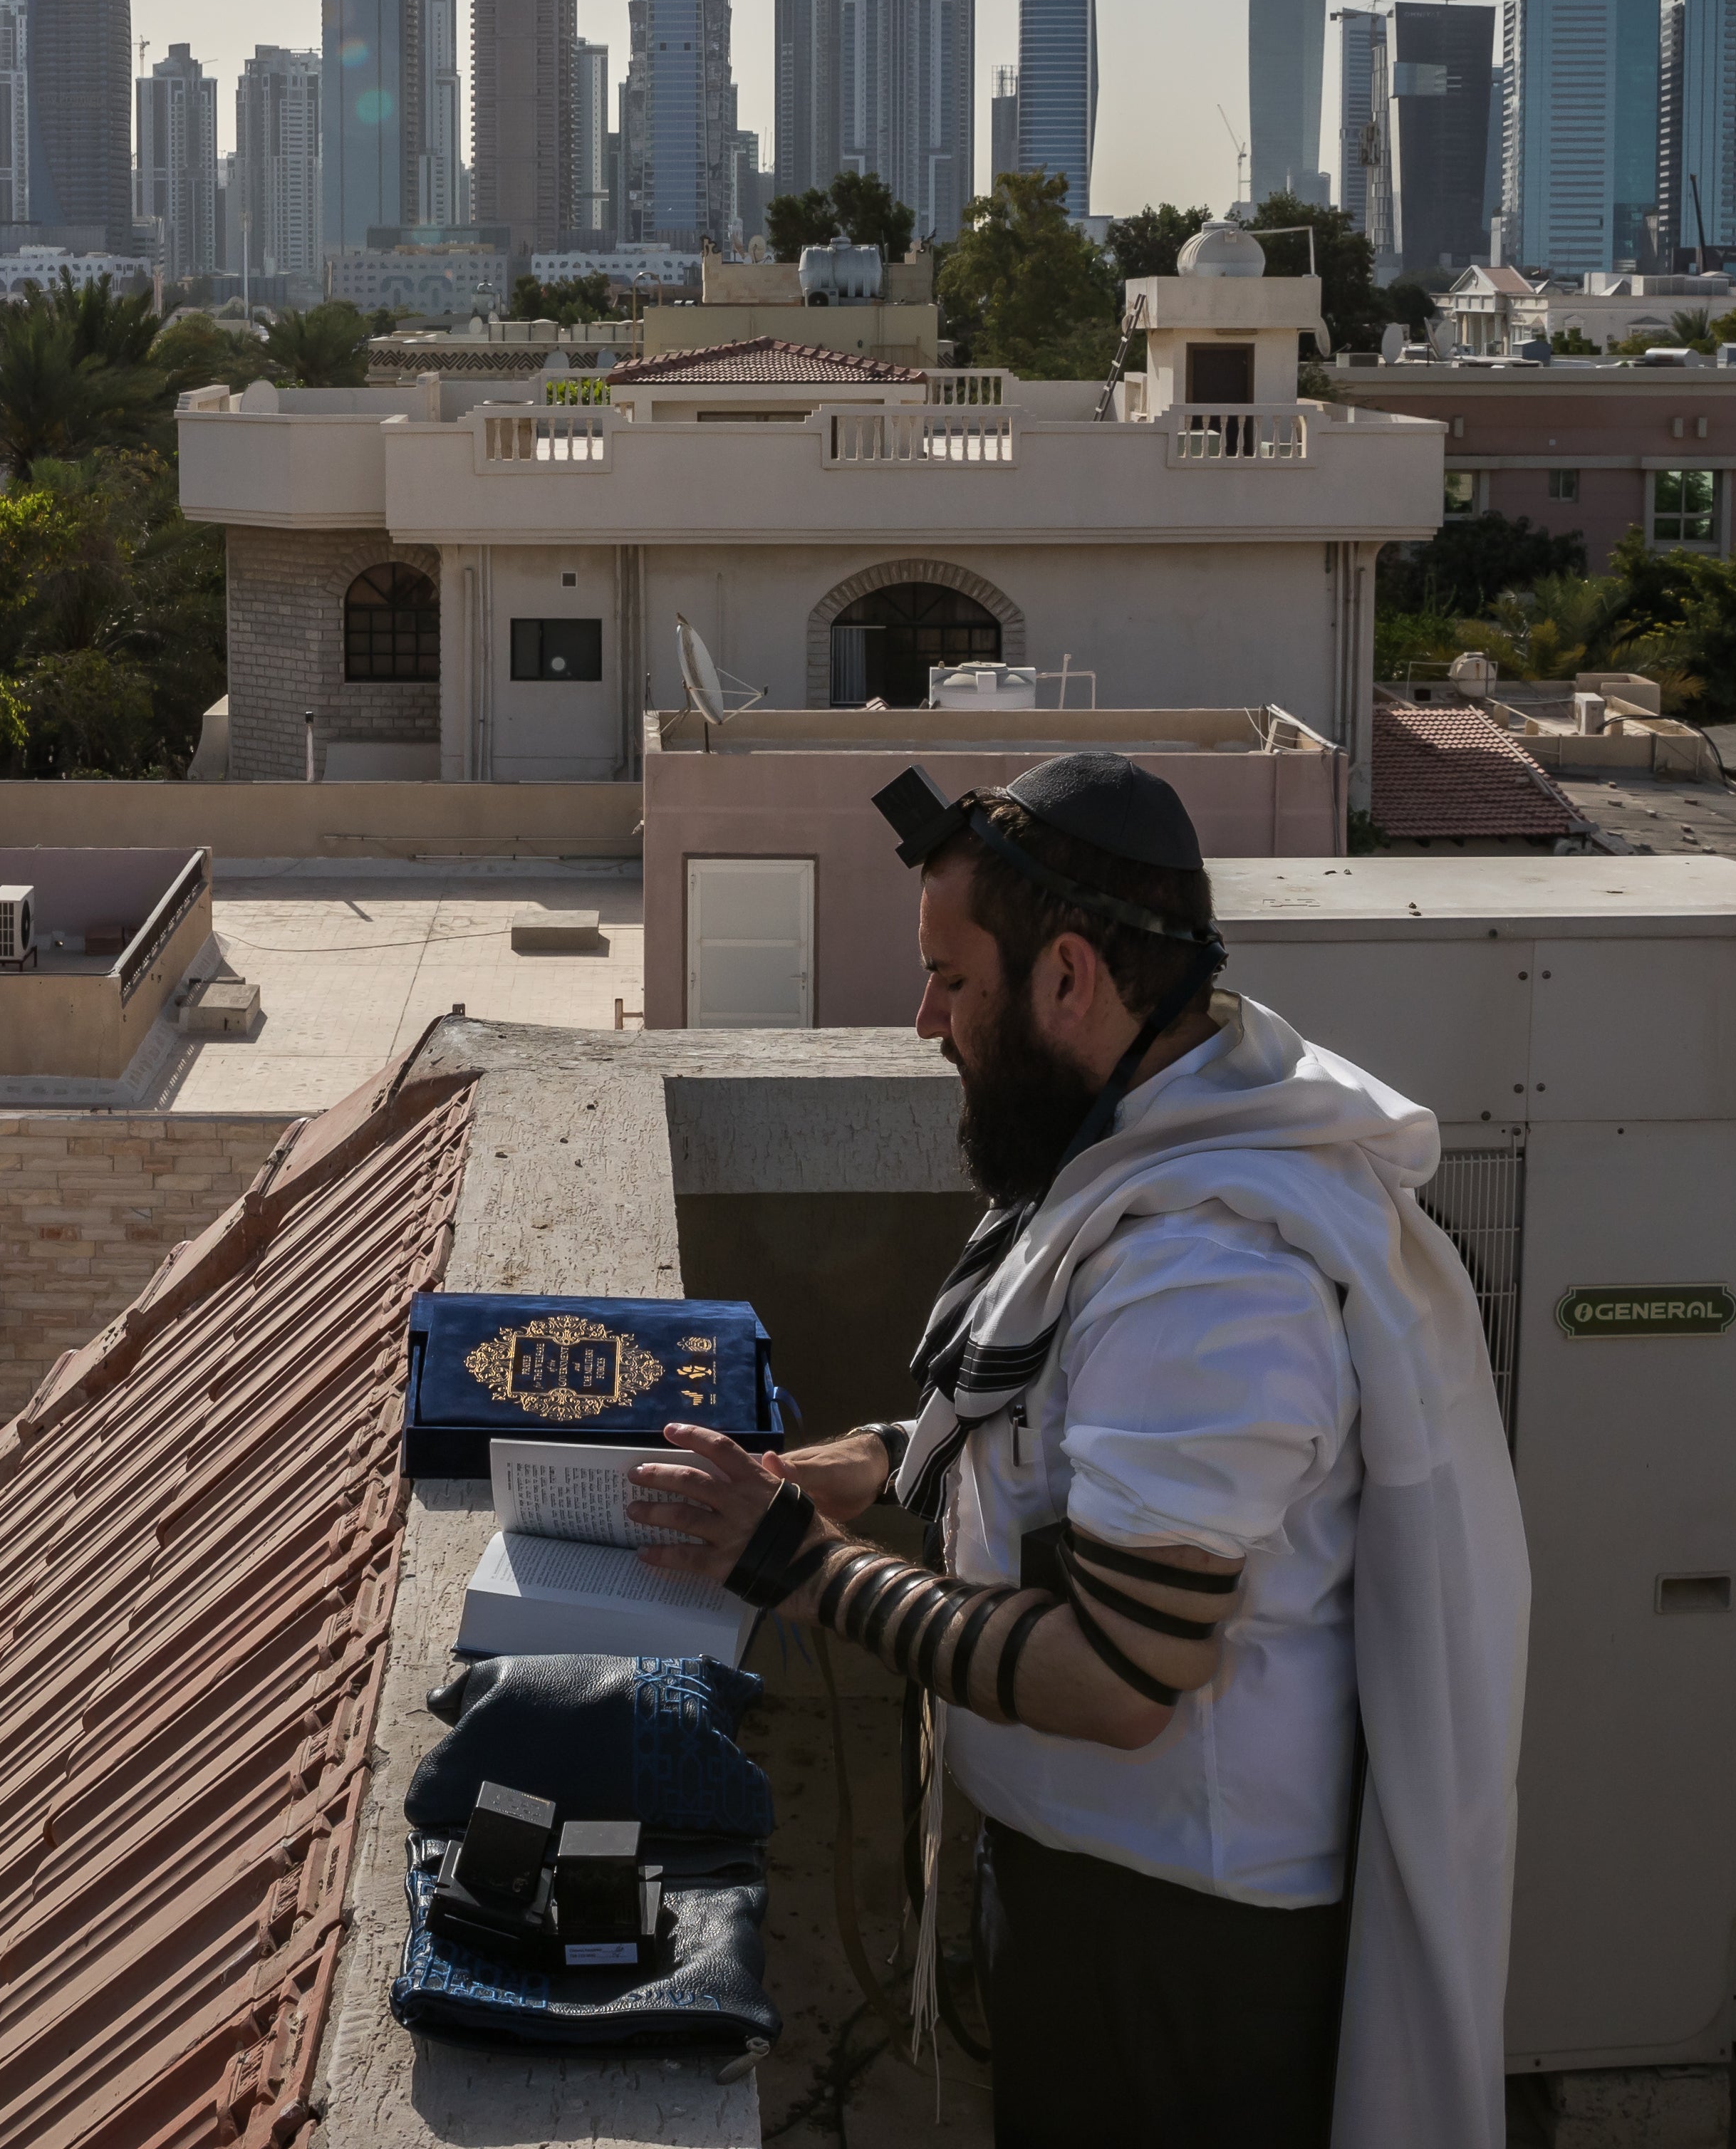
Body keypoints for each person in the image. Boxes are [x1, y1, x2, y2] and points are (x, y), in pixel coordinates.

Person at [627, 749, 1529, 2148]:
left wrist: (799, 1564)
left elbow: (1119, 1679)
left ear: (1067, 979)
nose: (924, 1016)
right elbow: (1061, 1423)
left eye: (950, 975)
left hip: (1180, 1930)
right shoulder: (1154, 1134)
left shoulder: (1211, 1277)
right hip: (1110, 1880)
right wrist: (874, 1460)